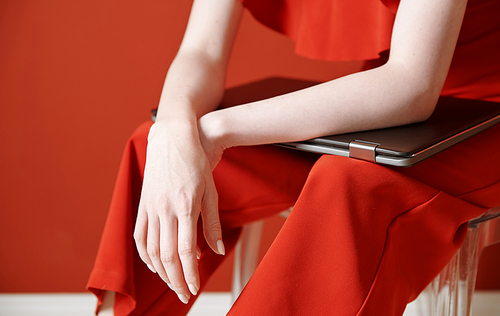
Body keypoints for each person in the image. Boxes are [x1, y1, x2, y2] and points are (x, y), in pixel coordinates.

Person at [87, 0, 500, 315]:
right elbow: (201, 53)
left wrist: (213, 131)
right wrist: (174, 130)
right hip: (379, 112)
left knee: (349, 182)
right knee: (154, 150)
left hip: (484, 111)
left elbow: (411, 84)